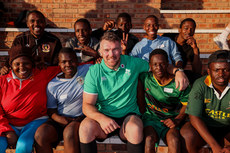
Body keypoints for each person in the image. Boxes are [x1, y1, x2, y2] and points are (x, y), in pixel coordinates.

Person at [79, 32, 188, 153]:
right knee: (85, 128)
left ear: (121, 49)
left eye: (115, 49)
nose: (111, 54)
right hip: (103, 117)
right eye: (106, 50)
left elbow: (158, 66)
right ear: (100, 51)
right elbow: (87, 105)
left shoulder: (133, 63)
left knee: (135, 128)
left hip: (128, 115)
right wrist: (101, 118)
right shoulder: (94, 71)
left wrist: (178, 71)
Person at [0, 45, 60, 153]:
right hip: (9, 124)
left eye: (26, 63)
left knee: (23, 146)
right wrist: (7, 131)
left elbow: (68, 65)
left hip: (35, 121)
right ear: (11, 65)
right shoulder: (2, 81)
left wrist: (97, 62)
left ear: (32, 64)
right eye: (17, 64)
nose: (22, 67)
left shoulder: (42, 74)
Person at [34, 48, 90, 153]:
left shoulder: (87, 69)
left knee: (69, 132)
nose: (68, 64)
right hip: (61, 119)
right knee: (40, 135)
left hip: (80, 118)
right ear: (59, 64)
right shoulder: (53, 85)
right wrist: (60, 119)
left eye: (71, 61)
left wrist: (97, 55)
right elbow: (51, 110)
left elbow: (106, 65)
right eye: (64, 62)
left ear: (77, 61)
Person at [139, 49, 191, 153]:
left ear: (168, 64)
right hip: (151, 119)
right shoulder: (145, 78)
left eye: (162, 64)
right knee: (148, 140)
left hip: (171, 119)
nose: (158, 68)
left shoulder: (178, 82)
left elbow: (187, 104)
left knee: (174, 141)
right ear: (150, 65)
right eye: (155, 64)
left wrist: (177, 120)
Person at [181, 50, 230, 153]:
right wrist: (214, 146)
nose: (221, 74)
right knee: (187, 134)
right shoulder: (201, 84)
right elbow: (194, 117)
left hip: (227, 128)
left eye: (225, 70)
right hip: (205, 126)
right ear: (209, 71)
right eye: (216, 70)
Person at [0, 10, 62, 75]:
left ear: (44, 23)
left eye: (40, 21)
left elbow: (58, 64)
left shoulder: (54, 41)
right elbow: (11, 59)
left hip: (47, 77)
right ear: (27, 24)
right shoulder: (20, 39)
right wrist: (5, 68)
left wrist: (46, 65)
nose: (36, 24)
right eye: (32, 21)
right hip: (26, 78)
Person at [163, 18, 202, 84]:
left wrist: (195, 49)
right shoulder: (168, 37)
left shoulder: (191, 46)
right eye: (186, 28)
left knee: (197, 77)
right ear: (179, 29)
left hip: (178, 73)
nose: (189, 32)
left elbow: (197, 71)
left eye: (192, 29)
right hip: (164, 69)